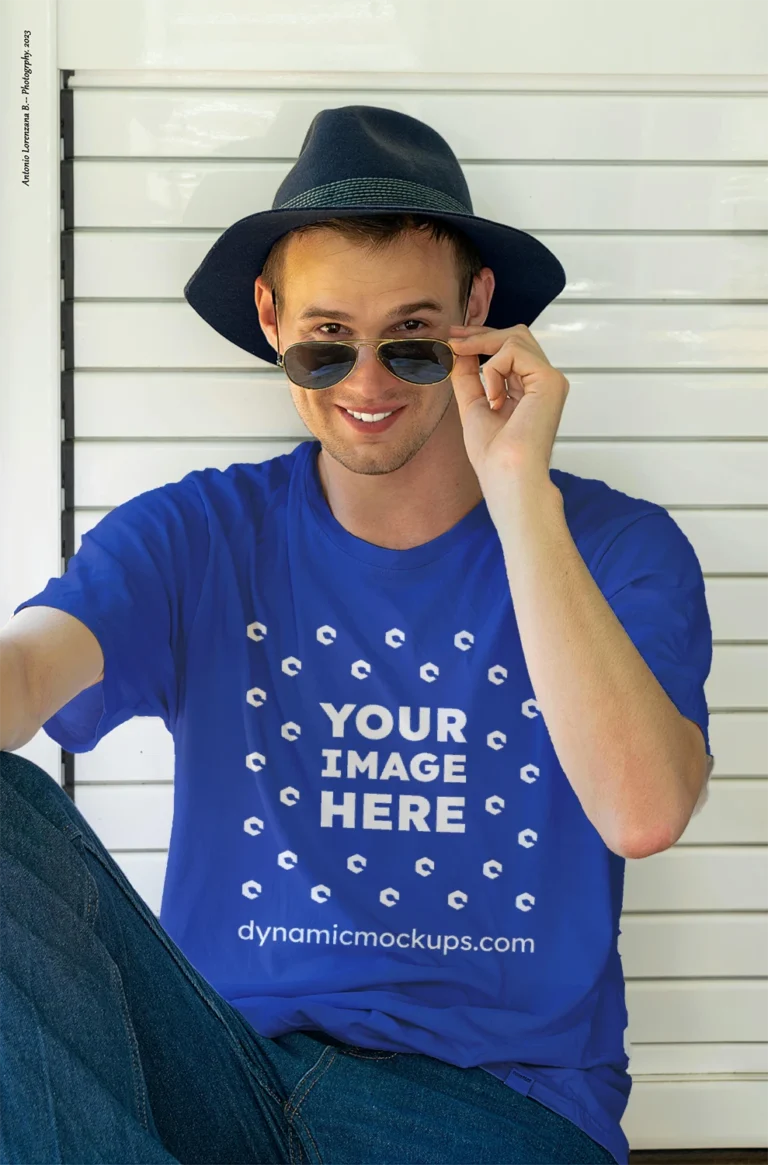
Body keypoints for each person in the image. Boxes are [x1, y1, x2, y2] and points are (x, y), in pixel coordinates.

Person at [0, 105, 713, 1165]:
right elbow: (29, 670)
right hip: (226, 1071)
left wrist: (516, 488)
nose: (370, 385)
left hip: (489, 1103)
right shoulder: (202, 531)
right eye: (327, 345)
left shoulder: (616, 547)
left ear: (478, 312)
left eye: (414, 343)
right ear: (271, 317)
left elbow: (643, 810)